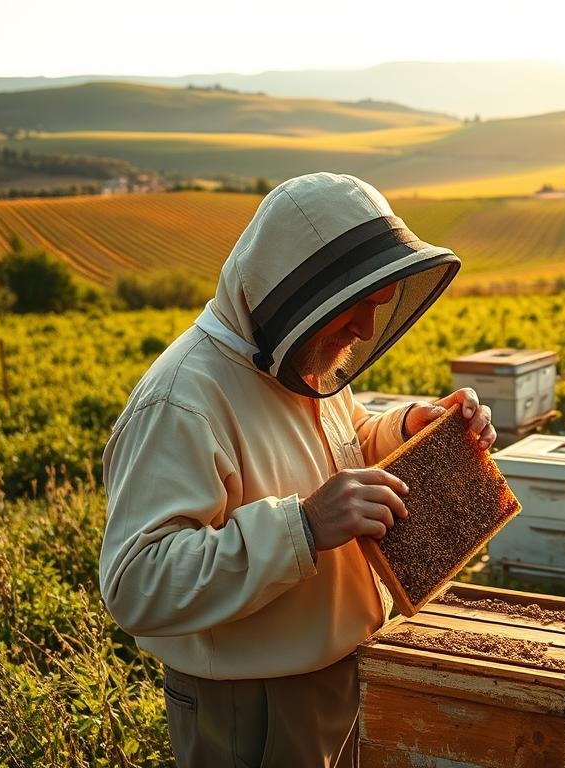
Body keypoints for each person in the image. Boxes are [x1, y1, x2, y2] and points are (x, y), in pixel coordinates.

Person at [98, 172, 496, 767]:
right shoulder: (182, 399)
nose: (364, 331)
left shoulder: (301, 357)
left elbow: (343, 446)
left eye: (376, 308)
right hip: (252, 706)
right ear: (296, 294)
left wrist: (410, 429)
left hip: (339, 671)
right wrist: (303, 528)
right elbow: (136, 584)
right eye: (355, 309)